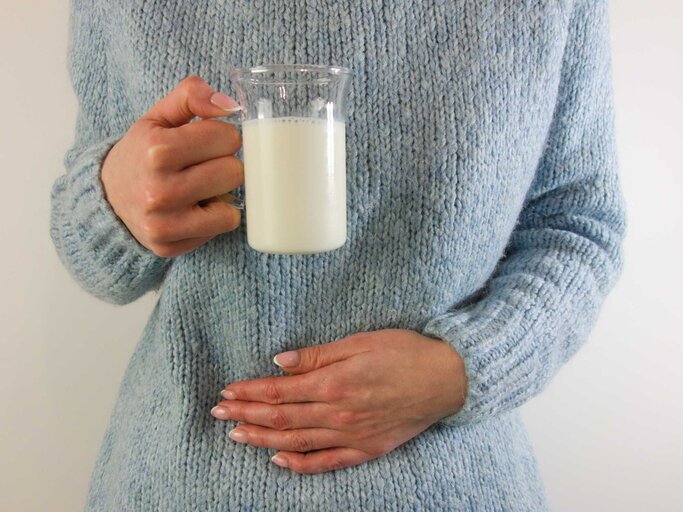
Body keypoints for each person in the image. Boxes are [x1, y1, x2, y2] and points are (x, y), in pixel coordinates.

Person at [50, 0, 626, 510]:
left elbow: (576, 224)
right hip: (176, 480)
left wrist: (465, 369)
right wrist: (114, 201)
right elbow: (96, 263)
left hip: (452, 484)